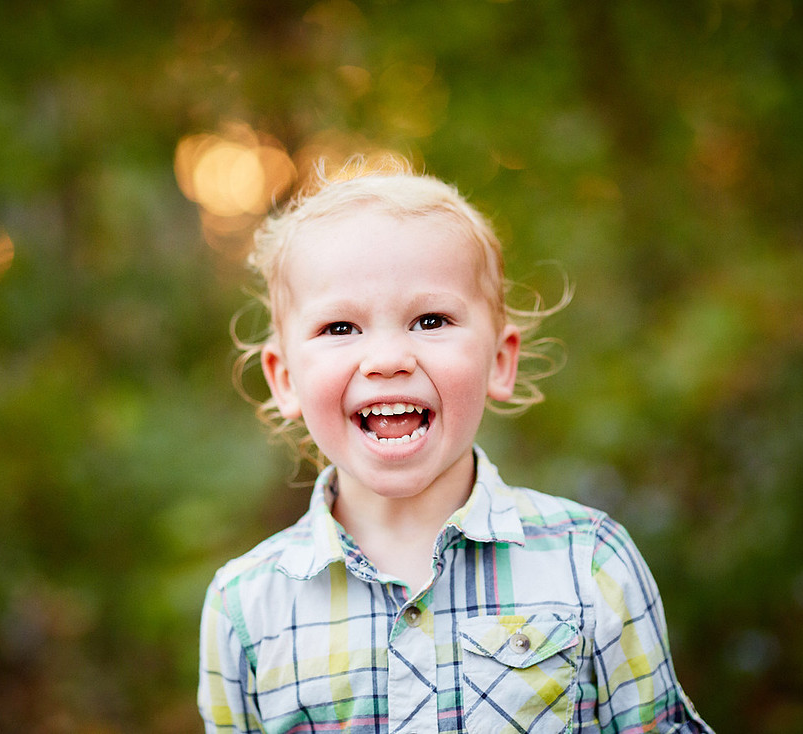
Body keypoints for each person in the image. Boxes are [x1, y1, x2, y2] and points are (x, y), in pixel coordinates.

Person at [198, 156, 713, 733]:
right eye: (340, 328)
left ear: (499, 361)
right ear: (286, 378)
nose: (389, 359)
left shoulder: (591, 564)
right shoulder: (246, 607)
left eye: (431, 320)